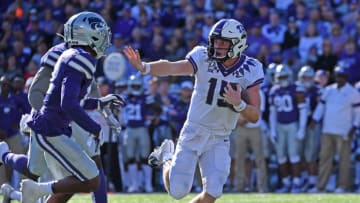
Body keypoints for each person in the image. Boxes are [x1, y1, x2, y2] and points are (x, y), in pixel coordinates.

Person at [124, 18, 264, 203]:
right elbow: (173, 67)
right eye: (215, 41)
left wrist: (239, 104)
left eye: (223, 42)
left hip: (220, 137)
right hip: (194, 130)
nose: (217, 46)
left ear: (237, 44)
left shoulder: (252, 68)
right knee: (178, 191)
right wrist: (145, 67)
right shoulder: (202, 56)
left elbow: (255, 116)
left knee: (213, 191)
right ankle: (167, 156)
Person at [20, 11, 121, 203]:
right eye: (99, 33)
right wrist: (48, 119)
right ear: (85, 34)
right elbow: (36, 93)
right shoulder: (63, 55)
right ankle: (7, 158)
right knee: (39, 171)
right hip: (57, 119)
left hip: (70, 115)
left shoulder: (84, 55)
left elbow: (87, 91)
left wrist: (102, 108)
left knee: (88, 172)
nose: (104, 39)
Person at [312, 65, 360, 193]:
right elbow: (321, 106)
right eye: (338, 76)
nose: (340, 78)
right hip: (327, 129)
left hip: (344, 131)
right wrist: (315, 119)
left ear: (347, 77)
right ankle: (321, 186)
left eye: (343, 76)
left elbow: (358, 113)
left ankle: (343, 186)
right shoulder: (329, 90)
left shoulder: (353, 93)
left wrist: (354, 128)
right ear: (335, 76)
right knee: (324, 159)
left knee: (344, 160)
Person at [269, 64, 307, 193]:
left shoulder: (296, 89)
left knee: (294, 156)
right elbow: (272, 113)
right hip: (280, 125)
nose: (283, 79)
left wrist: (301, 128)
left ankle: (296, 182)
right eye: (280, 77)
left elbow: (303, 110)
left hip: (292, 124)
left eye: (285, 76)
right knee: (281, 157)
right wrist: (272, 129)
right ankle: (286, 182)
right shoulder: (274, 90)